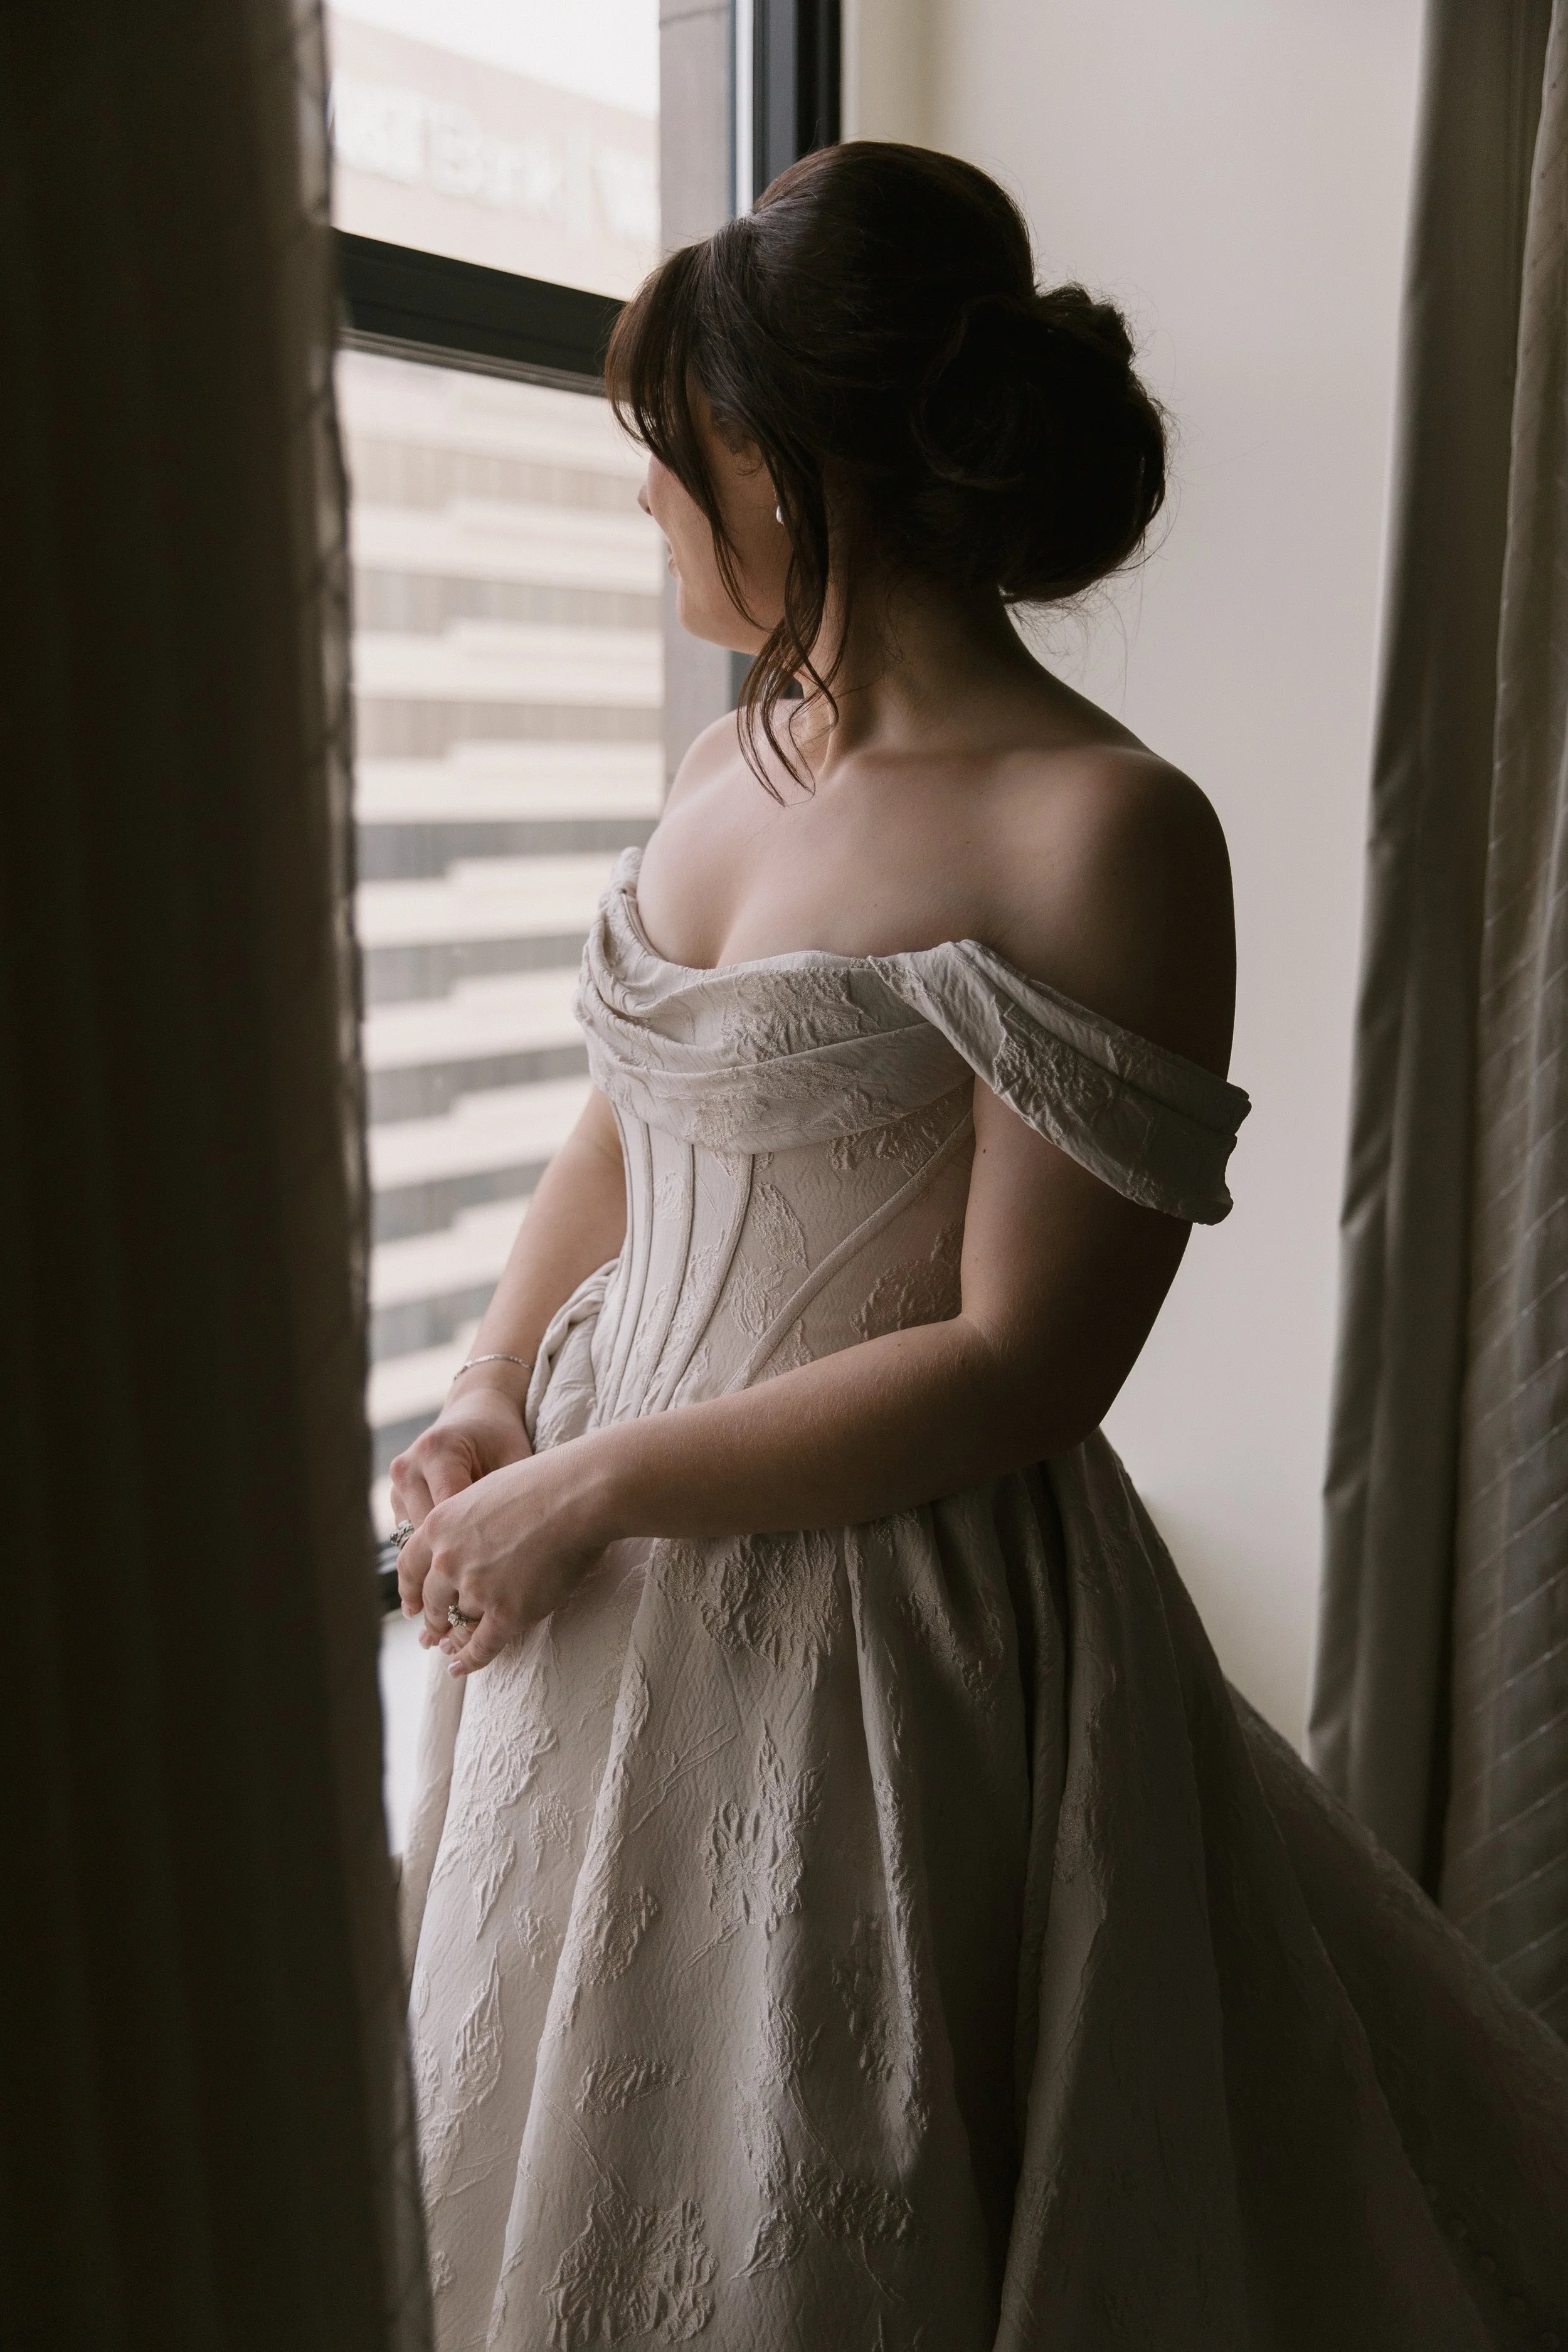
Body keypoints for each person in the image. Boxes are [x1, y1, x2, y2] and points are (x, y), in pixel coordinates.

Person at [390, 142, 1567, 2352]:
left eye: (678, 456)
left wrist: (594, 1479)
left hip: (880, 1623)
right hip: (590, 1596)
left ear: (791, 457)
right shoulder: (732, 766)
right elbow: (628, 1128)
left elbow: (1027, 1357)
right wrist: (484, 1387)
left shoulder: (1098, 823)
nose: (652, 503)